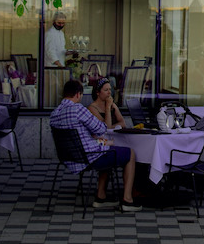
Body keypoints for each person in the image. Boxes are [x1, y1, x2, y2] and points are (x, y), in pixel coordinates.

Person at [49, 80, 141, 211]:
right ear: (77, 94)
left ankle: (101, 196)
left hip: (69, 158)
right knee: (130, 153)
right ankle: (127, 200)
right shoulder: (78, 109)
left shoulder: (54, 114)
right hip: (89, 157)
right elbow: (101, 129)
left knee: (107, 148)